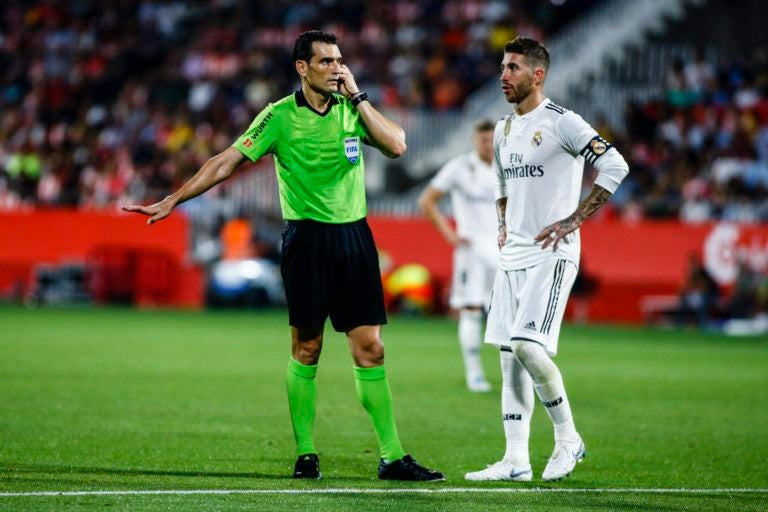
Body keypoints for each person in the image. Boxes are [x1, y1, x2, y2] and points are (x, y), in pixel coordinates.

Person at [123, 30, 444, 482]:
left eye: (340, 61)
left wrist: (360, 96)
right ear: (303, 67)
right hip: (307, 240)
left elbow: (396, 145)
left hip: (355, 238)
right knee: (307, 347)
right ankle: (306, 453)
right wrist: (175, 198)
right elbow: (226, 161)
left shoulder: (354, 110)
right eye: (327, 62)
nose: (337, 69)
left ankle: (392, 457)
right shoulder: (278, 117)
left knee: (370, 348)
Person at [464, 37, 629, 482]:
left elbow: (615, 165)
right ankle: (516, 459)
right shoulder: (502, 129)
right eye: (502, 66)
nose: (503, 75)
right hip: (512, 255)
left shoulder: (564, 122)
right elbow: (501, 180)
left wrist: (576, 218)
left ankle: (568, 438)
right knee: (506, 356)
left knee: (525, 345)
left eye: (513, 68)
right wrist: (502, 222)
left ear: (537, 75)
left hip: (550, 255)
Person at [418, 119, 498, 392]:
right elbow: (427, 200)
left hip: (503, 250)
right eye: (483, 140)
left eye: (492, 140)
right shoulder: (460, 167)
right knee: (471, 309)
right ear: (475, 140)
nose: (488, 145)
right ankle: (474, 373)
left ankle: (515, 371)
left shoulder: (508, 167)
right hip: (471, 250)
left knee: (509, 312)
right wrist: (449, 234)